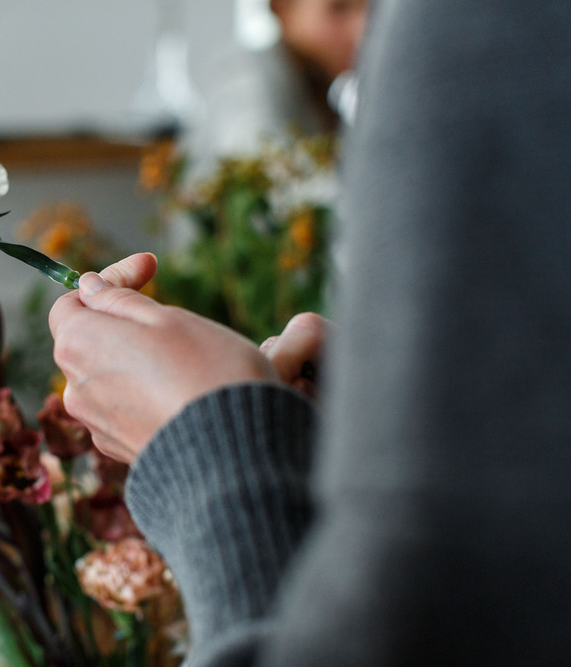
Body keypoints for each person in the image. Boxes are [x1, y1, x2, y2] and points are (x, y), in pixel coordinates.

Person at [50, 0, 571, 664]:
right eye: (339, 9)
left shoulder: (479, 33)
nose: (365, 28)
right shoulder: (265, 89)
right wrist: (376, 428)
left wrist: (209, 445)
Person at [184, 0, 367, 178]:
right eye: (339, 8)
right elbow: (262, 174)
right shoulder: (242, 75)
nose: (360, 30)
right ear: (281, 7)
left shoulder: (322, 92)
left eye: (370, 10)